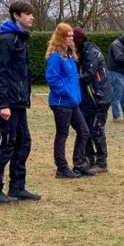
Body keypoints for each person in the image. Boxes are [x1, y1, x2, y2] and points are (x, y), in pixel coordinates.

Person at [0, 0, 40, 204]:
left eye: (31, 14)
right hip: (10, 102)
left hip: (20, 101)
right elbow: (1, 71)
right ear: (16, 16)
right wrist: (3, 104)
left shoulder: (21, 39)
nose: (31, 17)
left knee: (24, 142)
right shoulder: (8, 39)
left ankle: (17, 186)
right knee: (6, 144)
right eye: (27, 14)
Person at [45, 24, 94, 178]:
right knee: (62, 134)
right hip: (61, 102)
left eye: (72, 35)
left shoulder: (70, 54)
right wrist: (66, 93)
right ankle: (61, 168)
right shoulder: (55, 56)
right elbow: (52, 78)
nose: (71, 38)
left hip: (73, 102)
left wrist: (75, 95)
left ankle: (79, 164)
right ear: (61, 36)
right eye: (68, 35)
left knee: (84, 131)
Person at [74, 27, 113, 173]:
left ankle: (102, 163)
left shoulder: (92, 54)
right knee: (85, 129)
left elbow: (88, 75)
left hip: (100, 97)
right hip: (87, 99)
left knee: (97, 130)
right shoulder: (79, 53)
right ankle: (89, 159)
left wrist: (70, 78)